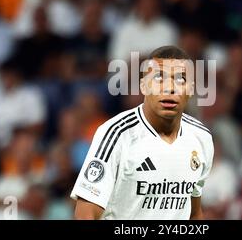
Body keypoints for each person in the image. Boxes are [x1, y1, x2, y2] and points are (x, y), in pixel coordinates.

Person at [71, 46, 214, 219]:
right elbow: (85, 212)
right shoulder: (117, 134)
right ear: (144, 86)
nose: (169, 88)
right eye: (159, 78)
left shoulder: (201, 138)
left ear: (191, 89)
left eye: (180, 79)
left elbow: (194, 213)